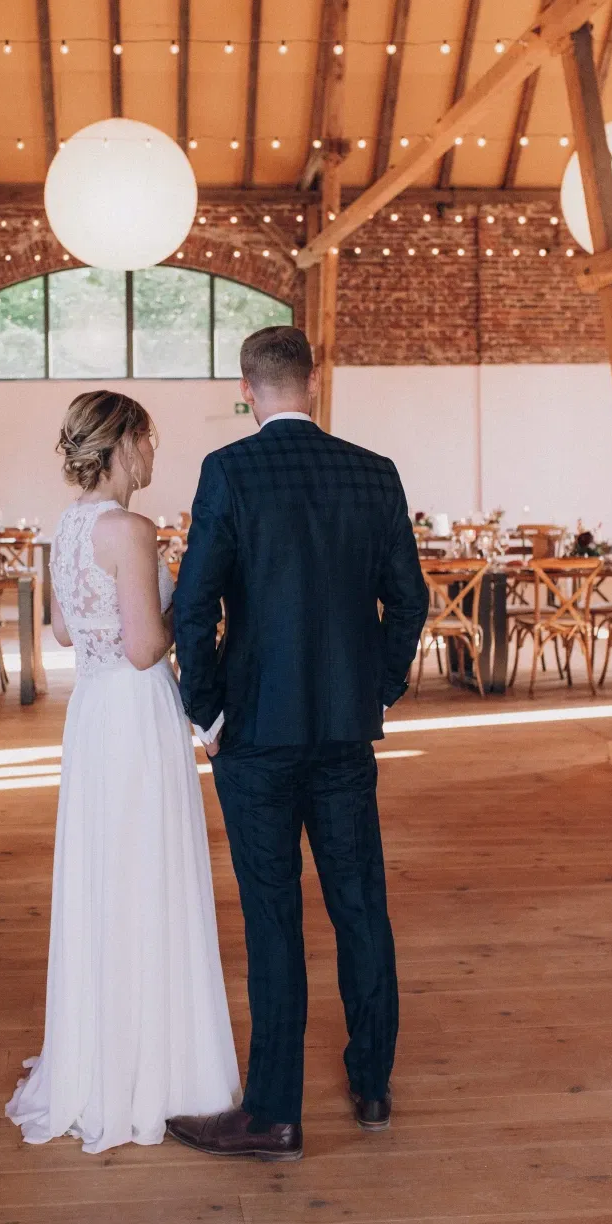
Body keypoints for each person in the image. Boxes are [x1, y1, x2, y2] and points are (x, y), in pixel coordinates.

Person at [168, 326, 428, 1162]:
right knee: (361, 906)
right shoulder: (373, 472)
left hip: (255, 733)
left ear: (247, 388)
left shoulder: (230, 471)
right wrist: (376, 687)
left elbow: (194, 605)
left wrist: (206, 713)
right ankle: (373, 1084)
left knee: (272, 915)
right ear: (314, 382)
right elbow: (410, 600)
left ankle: (275, 1112)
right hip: (344, 731)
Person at [6, 391, 240, 1154]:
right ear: (126, 443)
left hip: (93, 713)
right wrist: (193, 600)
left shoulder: (69, 526)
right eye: (150, 439)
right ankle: (159, 1071)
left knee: (107, 877)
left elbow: (63, 629)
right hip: (137, 713)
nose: (154, 453)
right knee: (149, 875)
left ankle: (101, 1059)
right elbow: (145, 648)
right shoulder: (131, 530)